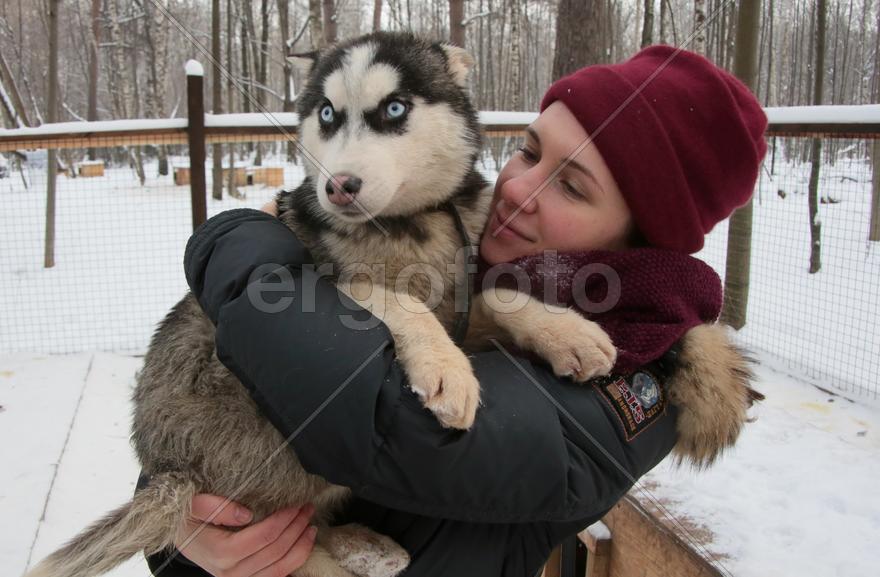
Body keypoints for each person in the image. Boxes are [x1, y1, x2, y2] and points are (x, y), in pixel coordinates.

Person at [146, 45, 767, 577]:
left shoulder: (639, 374)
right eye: (528, 151)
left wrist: (237, 250)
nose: (519, 188)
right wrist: (187, 534)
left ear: (642, 235)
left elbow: (375, 414)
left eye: (572, 186)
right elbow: (223, 431)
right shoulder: (474, 255)